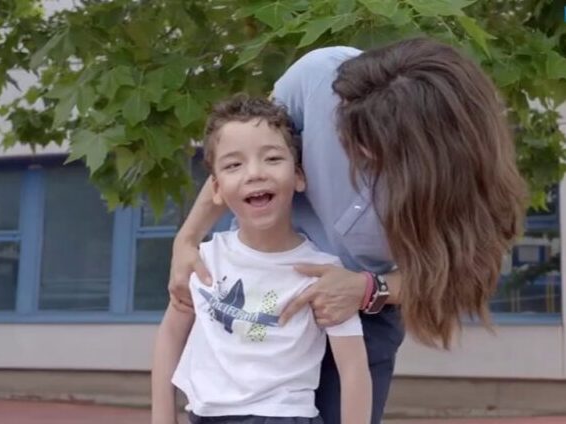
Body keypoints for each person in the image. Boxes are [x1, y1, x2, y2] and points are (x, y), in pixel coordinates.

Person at [168, 38, 527, 424]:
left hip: (361, 313)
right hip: (260, 294)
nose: (357, 151)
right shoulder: (319, 76)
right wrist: (188, 238)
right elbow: (245, 152)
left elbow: (461, 274)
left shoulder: (469, 184)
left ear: (434, 150)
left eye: (375, 145)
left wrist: (368, 288)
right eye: (349, 131)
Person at [151, 95, 372, 424]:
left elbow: (354, 369)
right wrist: (161, 417)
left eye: (271, 158)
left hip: (282, 416)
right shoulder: (204, 260)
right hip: (203, 415)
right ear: (216, 188)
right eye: (233, 165)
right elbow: (170, 336)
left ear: (298, 176)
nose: (254, 173)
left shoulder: (323, 274)